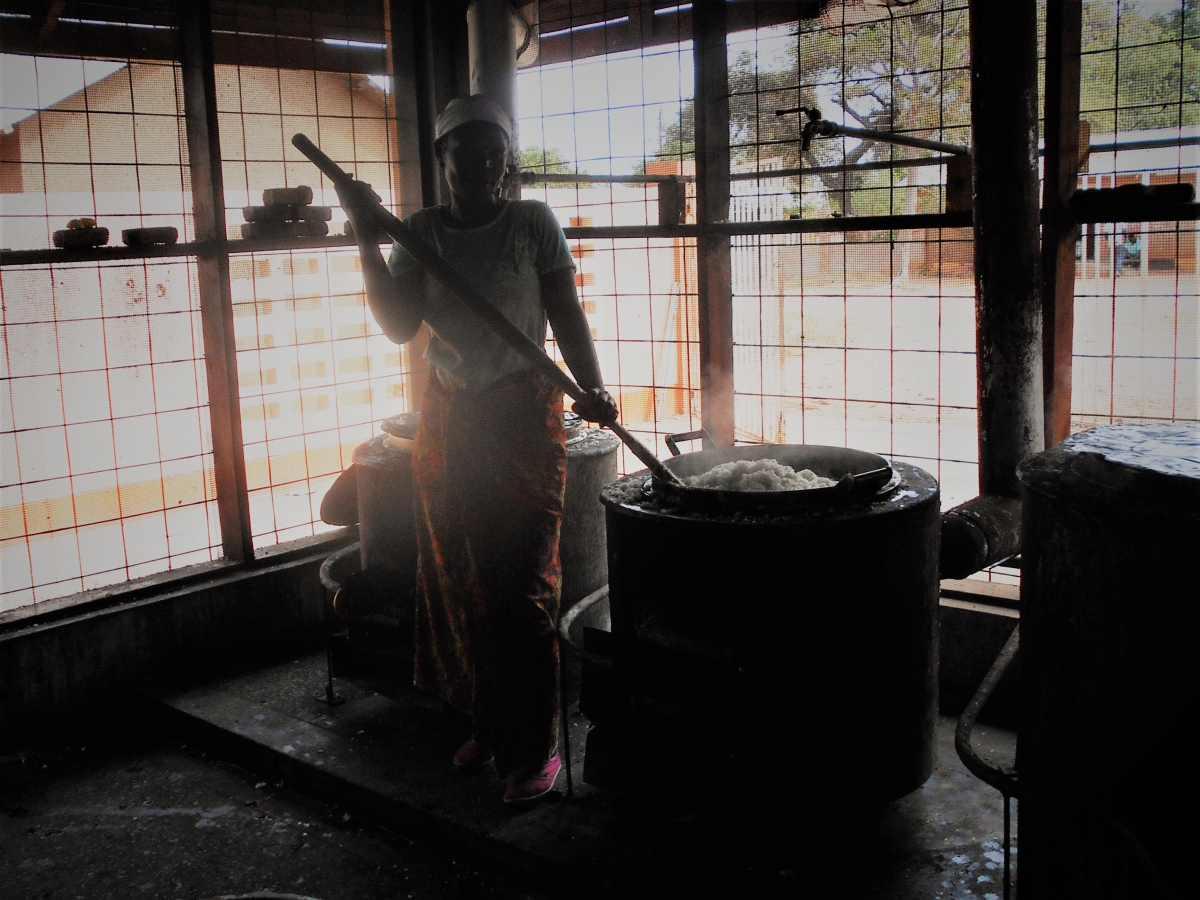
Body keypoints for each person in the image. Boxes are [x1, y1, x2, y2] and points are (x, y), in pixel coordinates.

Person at [336, 95, 618, 804]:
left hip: (524, 422)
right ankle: (490, 725)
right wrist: (366, 235)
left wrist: (593, 386)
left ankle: (534, 749)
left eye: (494, 152)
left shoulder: (532, 223)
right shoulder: (421, 232)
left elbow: (566, 312)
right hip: (453, 424)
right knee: (459, 578)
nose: (482, 164)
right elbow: (399, 326)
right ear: (443, 158)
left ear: (507, 160)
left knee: (521, 587)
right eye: (465, 152)